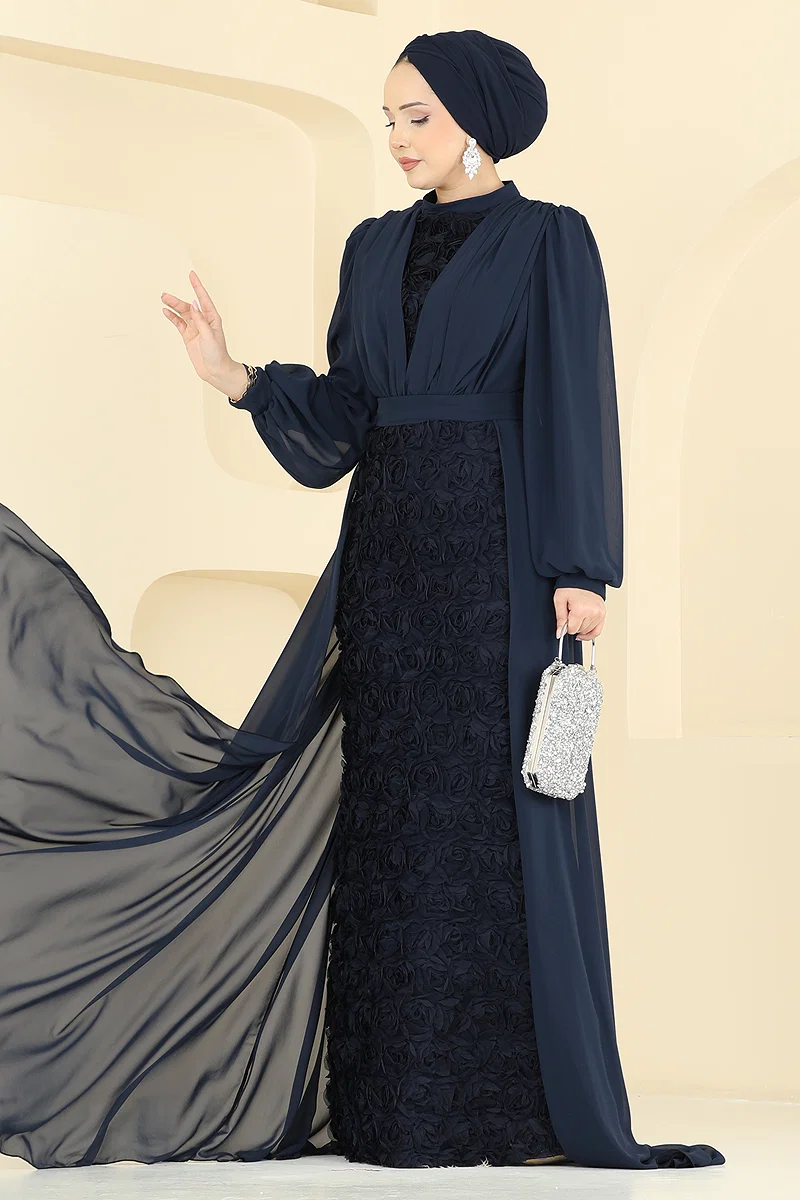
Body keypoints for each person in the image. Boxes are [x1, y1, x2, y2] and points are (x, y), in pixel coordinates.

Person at [0, 28, 724, 1173]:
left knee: (486, 815)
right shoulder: (372, 246)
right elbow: (343, 419)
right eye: (386, 117)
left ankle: (504, 1110)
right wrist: (233, 375)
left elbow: (574, 401)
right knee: (388, 815)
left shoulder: (549, 239)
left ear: (477, 119)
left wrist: (579, 568)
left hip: (496, 558)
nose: (394, 138)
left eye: (416, 116)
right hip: (385, 561)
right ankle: (391, 1108)